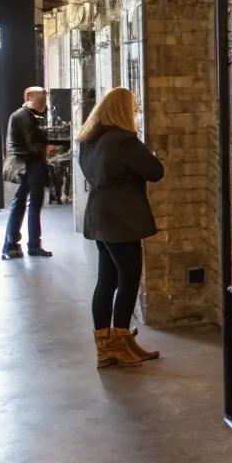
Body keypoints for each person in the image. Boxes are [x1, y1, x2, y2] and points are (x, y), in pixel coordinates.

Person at [77, 87, 164, 371]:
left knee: (106, 281)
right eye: (134, 107)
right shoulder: (125, 141)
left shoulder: (90, 139)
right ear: (123, 111)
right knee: (128, 279)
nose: (136, 111)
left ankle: (106, 348)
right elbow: (155, 171)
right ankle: (122, 344)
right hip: (122, 221)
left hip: (99, 216)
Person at [2, 85, 53, 261]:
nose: (43, 103)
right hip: (29, 165)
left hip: (26, 165)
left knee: (21, 204)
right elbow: (34, 146)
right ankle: (30, 245)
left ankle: (13, 244)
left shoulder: (22, 116)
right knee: (31, 205)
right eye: (41, 99)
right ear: (29, 97)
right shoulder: (24, 116)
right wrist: (49, 148)